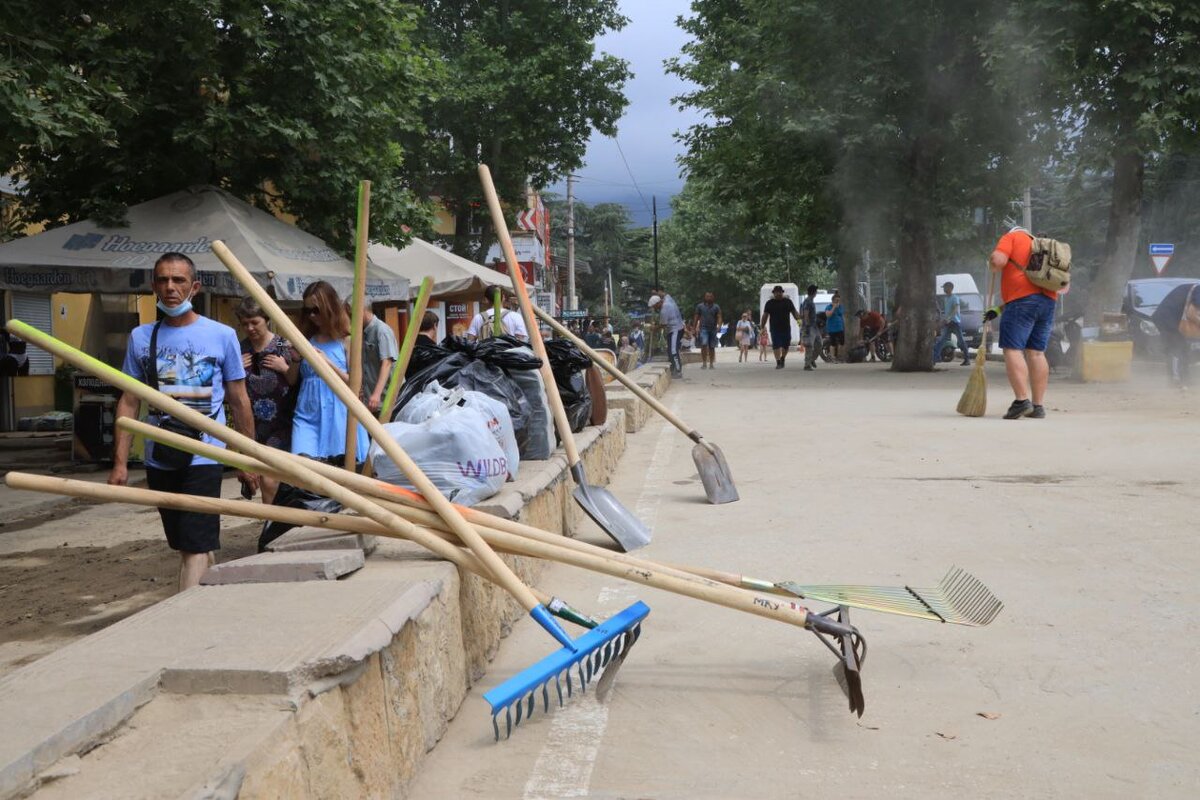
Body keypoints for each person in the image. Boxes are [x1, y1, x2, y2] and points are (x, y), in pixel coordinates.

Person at [108, 253, 257, 592]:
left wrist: (248, 457)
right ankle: (208, 583)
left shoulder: (221, 335)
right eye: (163, 280)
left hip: (204, 452)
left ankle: (185, 615)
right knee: (185, 541)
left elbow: (239, 400)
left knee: (193, 544)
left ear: (194, 287)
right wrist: (120, 463)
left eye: (178, 280)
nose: (170, 287)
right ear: (153, 286)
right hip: (160, 452)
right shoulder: (141, 338)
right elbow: (129, 400)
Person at [291, 281, 370, 459]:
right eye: (307, 310)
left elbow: (354, 384)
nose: (312, 316)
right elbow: (292, 380)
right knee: (302, 462)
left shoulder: (347, 340)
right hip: (307, 412)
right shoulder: (306, 338)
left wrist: (327, 363)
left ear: (330, 308)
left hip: (338, 413)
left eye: (316, 310)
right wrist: (295, 360)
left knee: (338, 469)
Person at [236, 297, 299, 506]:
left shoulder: (283, 345)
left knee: (271, 478)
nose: (250, 328)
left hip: (281, 422)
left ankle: (273, 520)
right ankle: (272, 520)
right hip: (253, 424)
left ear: (266, 320)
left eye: (255, 322)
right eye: (245, 324)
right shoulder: (239, 349)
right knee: (263, 476)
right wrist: (237, 369)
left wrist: (285, 368)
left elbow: (295, 381)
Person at [990, 226, 1058, 419]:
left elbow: (998, 260)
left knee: (1012, 349)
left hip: (1022, 302)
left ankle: (1021, 401)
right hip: (1048, 301)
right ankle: (1038, 406)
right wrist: (998, 309)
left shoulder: (1011, 237)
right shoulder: (1040, 246)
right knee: (1036, 353)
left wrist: (992, 260)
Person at [1149, 281, 1200, 389]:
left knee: (1183, 348)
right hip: (1167, 320)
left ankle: (1184, 379)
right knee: (1175, 349)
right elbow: (1195, 306)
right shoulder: (1198, 289)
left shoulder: (1193, 287)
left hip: (1171, 320)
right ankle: (1175, 380)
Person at [355, 305, 398, 414]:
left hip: (384, 401)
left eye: (351, 315)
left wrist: (376, 394)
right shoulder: (361, 331)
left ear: (362, 311)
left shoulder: (382, 330)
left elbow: (387, 363)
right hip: (370, 401)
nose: (351, 319)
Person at [760, 285, 802, 369]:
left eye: (780, 292)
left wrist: (799, 322)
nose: (778, 294)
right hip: (774, 328)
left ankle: (783, 358)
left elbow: (794, 312)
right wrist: (762, 327)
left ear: (782, 293)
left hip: (786, 328)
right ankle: (778, 362)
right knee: (776, 345)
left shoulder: (788, 302)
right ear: (774, 293)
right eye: (776, 292)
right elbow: (765, 316)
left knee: (786, 345)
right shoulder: (769, 303)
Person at [932, 281, 971, 366]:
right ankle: (935, 358)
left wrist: (949, 318)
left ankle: (967, 359)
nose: (944, 289)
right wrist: (944, 320)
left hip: (955, 322)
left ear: (950, 288)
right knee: (941, 340)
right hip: (948, 323)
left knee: (961, 341)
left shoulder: (955, 298)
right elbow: (947, 311)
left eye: (945, 288)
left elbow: (955, 309)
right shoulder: (946, 299)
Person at [649, 290, 685, 377]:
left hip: (675, 329)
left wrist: (654, 328)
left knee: (673, 350)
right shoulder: (668, 299)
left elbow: (663, 324)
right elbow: (664, 294)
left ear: (658, 303)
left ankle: (678, 370)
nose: (654, 309)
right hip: (674, 329)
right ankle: (673, 368)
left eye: (654, 306)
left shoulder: (664, 310)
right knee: (669, 350)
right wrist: (656, 293)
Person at [692, 291, 723, 369]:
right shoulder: (700, 306)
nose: (709, 298)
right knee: (704, 344)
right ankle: (704, 363)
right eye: (707, 296)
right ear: (705, 297)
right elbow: (696, 317)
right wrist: (694, 328)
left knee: (712, 347)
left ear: (713, 297)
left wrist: (719, 326)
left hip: (713, 329)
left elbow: (719, 316)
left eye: (710, 296)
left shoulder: (716, 307)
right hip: (703, 328)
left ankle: (711, 363)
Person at [799, 285, 823, 370]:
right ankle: (807, 365)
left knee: (819, 344)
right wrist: (807, 325)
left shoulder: (810, 301)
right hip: (809, 326)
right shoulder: (808, 301)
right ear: (814, 292)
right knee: (809, 346)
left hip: (814, 326)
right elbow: (805, 313)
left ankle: (812, 359)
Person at [824, 292, 846, 362]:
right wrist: (833, 307)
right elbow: (828, 315)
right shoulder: (828, 307)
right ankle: (833, 357)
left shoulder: (841, 307)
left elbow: (842, 316)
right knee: (832, 343)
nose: (837, 301)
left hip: (840, 327)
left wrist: (844, 325)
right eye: (836, 300)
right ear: (832, 300)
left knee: (841, 342)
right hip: (832, 328)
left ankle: (839, 356)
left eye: (838, 300)